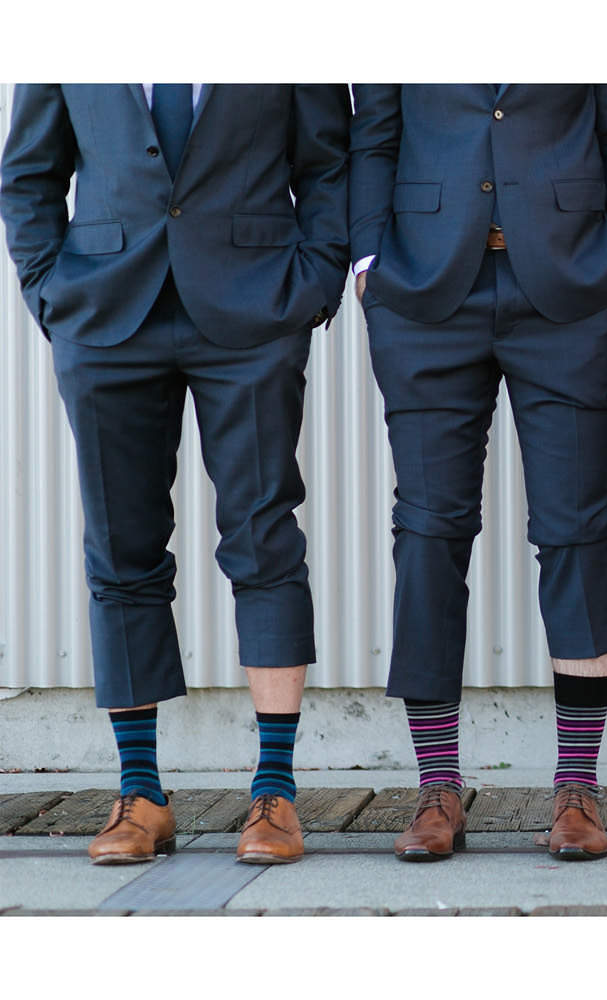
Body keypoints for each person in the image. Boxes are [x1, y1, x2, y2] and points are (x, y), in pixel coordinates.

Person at [1, 84, 351, 864]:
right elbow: (28, 172)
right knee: (121, 548)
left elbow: (329, 163)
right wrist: (50, 294)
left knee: (263, 535)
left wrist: (315, 283)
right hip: (104, 312)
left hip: (253, 310)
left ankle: (275, 791)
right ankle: (141, 794)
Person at [348, 84, 607, 861]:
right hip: (423, 293)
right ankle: (437, 786)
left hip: (572, 292)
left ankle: (577, 789)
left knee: (576, 527)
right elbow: (374, 129)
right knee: (427, 531)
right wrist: (368, 256)